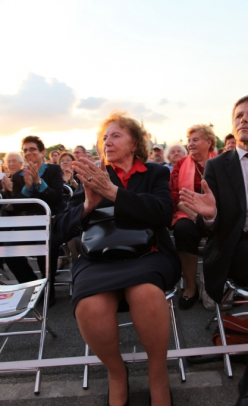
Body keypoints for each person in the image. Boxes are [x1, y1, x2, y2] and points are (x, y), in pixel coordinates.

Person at [53, 113, 181, 406]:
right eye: (104, 137)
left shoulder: (155, 173)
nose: (107, 141)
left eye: (116, 135)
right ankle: (116, 373)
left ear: (134, 142)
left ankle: (157, 373)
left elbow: (163, 213)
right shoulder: (93, 175)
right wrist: (87, 205)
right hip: (98, 260)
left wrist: (112, 192)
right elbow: (59, 230)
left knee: (147, 293)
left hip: (148, 254)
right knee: (89, 306)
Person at [179, 94, 248, 406]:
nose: (243, 119)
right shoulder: (218, 167)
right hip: (239, 248)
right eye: (239, 115)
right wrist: (210, 215)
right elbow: (211, 230)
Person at [5, 135, 65, 306]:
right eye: (25, 150)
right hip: (27, 224)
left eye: (32, 149)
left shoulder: (53, 170)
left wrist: (39, 183)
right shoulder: (18, 176)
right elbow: (15, 206)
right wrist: (28, 187)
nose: (28, 153)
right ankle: (33, 286)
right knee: (6, 248)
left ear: (42, 152)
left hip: (50, 221)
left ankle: (48, 290)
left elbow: (57, 197)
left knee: (46, 244)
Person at [170, 124, 216, 309]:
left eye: (195, 140)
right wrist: (196, 215)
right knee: (183, 230)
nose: (190, 144)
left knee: (228, 229)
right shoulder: (181, 165)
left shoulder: (222, 162)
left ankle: (215, 285)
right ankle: (190, 287)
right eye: (189, 141)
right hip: (187, 213)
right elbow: (174, 196)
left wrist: (210, 214)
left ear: (209, 142)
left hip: (217, 213)